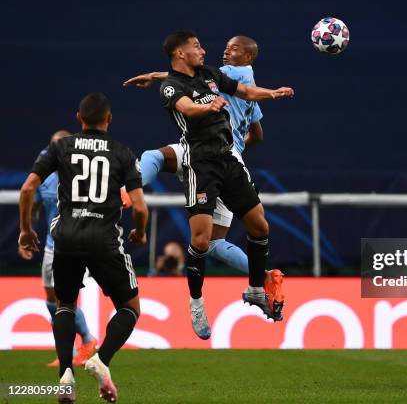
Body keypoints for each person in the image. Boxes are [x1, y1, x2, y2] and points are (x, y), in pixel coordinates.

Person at [138, 29, 292, 341]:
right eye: (197, 46)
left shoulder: (211, 75)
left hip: (229, 159)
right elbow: (187, 108)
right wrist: (205, 107)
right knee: (201, 239)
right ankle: (196, 303)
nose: (205, 51)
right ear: (181, 53)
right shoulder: (172, 86)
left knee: (260, 226)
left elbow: (245, 93)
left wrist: (273, 93)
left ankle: (255, 287)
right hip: (199, 162)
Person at [18, 93, 148, 403]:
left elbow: (27, 188)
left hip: (66, 238)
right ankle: (100, 360)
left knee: (65, 305)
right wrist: (140, 234)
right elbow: (140, 208)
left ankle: (66, 374)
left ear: (79, 118)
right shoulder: (122, 153)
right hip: (104, 240)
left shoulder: (60, 147)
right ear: (109, 119)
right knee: (130, 308)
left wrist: (25, 230)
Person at [123, 35, 265, 276]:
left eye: (235, 49)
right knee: (213, 243)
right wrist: (236, 152)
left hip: (211, 153)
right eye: (227, 47)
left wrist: (155, 76)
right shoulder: (249, 85)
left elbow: (188, 74)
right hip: (227, 157)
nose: (226, 52)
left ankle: (127, 192)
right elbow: (258, 134)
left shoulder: (230, 73)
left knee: (155, 157)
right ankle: (265, 275)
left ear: (248, 56)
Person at [18, 130, 98, 368]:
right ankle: (74, 347)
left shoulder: (83, 173)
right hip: (53, 245)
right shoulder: (45, 178)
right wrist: (26, 234)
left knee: (66, 299)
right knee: (51, 298)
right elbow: (34, 206)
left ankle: (83, 342)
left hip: (77, 244)